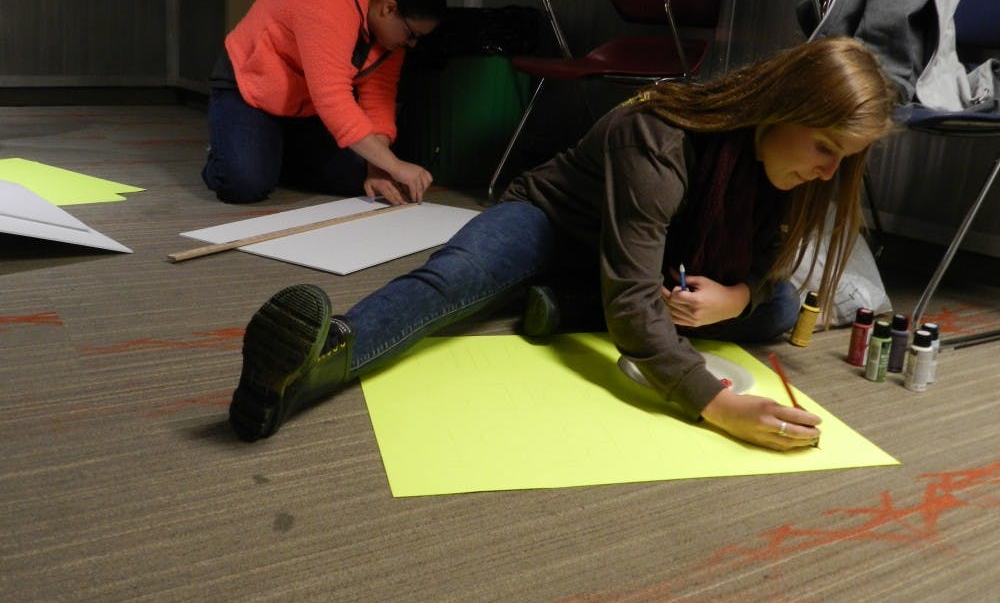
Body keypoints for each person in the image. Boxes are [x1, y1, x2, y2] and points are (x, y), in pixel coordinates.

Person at [226, 36, 898, 451]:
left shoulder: (792, 169)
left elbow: (768, 263)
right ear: (781, 108)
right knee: (455, 279)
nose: (828, 172)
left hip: (649, 259)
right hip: (553, 224)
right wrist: (715, 404)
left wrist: (738, 297)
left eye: (843, 159)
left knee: (779, 304)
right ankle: (317, 360)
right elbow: (635, 304)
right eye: (824, 148)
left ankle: (569, 304)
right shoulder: (659, 135)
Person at [202, 0, 447, 205]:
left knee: (362, 176)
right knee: (243, 183)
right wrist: (394, 165)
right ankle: (230, 152)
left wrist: (378, 167)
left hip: (305, 107)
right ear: (389, 8)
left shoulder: (390, 40)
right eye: (412, 35)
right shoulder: (325, 0)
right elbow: (332, 98)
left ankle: (268, 153)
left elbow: (378, 100)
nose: (412, 45)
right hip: (250, 91)